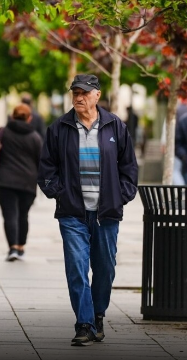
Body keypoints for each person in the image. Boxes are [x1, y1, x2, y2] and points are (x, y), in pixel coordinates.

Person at [38, 74, 138, 346]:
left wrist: (122, 195)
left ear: (97, 95)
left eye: (85, 92)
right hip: (73, 213)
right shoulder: (59, 128)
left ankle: (97, 314)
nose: (79, 97)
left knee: (105, 268)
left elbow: (129, 166)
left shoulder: (115, 126)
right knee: (77, 268)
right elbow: (46, 168)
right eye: (75, 92)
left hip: (106, 212)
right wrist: (59, 192)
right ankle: (84, 323)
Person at [0, 104, 42, 262]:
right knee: (23, 214)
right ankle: (21, 247)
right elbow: (42, 161)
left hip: (4, 182)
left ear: (12, 116)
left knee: (10, 214)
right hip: (27, 183)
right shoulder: (35, 137)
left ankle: (13, 247)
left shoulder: (2, 132)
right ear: (29, 118)